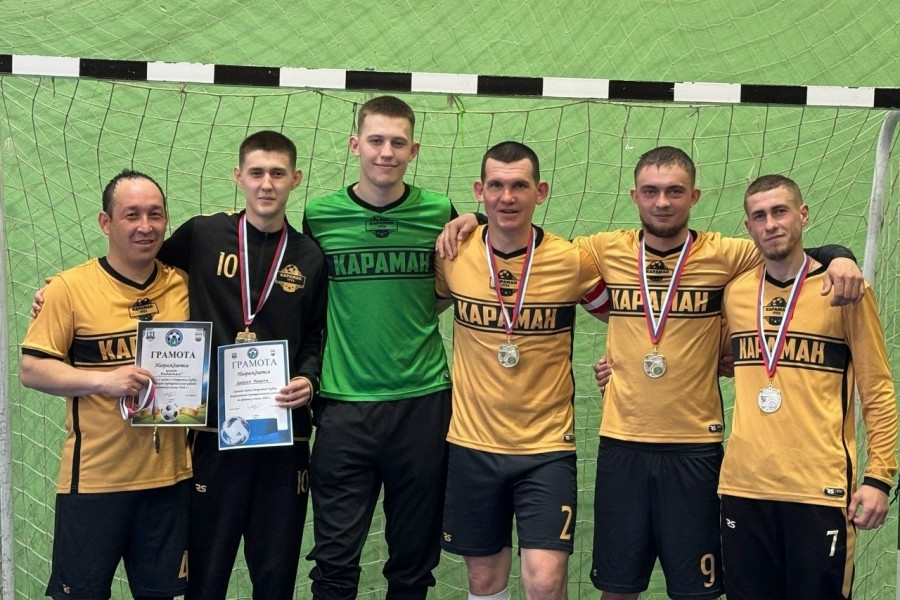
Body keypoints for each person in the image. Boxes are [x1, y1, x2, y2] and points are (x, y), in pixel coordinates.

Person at [438, 146, 864, 600]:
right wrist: (472, 220)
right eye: (651, 191)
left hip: (695, 449)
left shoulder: (727, 254)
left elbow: (784, 249)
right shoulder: (600, 251)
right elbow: (517, 239)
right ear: (634, 196)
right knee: (616, 589)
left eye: (674, 191)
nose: (662, 202)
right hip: (620, 445)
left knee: (694, 592)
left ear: (694, 196)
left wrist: (839, 255)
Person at [158, 131, 328, 600]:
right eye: (256, 173)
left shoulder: (310, 256)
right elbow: (141, 267)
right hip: (214, 434)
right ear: (238, 177)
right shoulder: (203, 234)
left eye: (277, 173)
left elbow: (316, 336)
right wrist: (66, 288)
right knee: (206, 576)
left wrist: (308, 380)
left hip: (283, 436)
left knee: (275, 579)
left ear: (295, 178)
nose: (266, 183)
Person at [435, 141, 606, 600]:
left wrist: (625, 361)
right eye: (496, 186)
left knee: (545, 581)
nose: (506, 197)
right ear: (480, 191)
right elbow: (418, 311)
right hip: (472, 443)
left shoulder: (571, 260)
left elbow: (624, 315)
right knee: (483, 580)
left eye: (519, 186)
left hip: (546, 448)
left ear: (540, 191)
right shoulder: (453, 254)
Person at [718, 174, 898, 600]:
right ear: (748, 227)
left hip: (820, 490)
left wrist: (879, 477)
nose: (770, 224)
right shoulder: (736, 294)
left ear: (802, 215)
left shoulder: (846, 290)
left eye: (780, 211)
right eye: (759, 216)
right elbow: (713, 357)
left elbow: (876, 388)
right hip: (743, 488)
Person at [303, 95, 454, 600]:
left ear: (414, 149)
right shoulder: (319, 216)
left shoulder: (440, 212)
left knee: (413, 565)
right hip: (344, 407)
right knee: (334, 563)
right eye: (375, 140)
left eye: (397, 142)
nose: (386, 152)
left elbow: (467, 274)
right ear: (355, 145)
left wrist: (473, 218)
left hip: (422, 405)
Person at [20, 170, 192, 600]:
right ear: (105, 222)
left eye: (155, 214)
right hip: (95, 483)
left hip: (169, 481)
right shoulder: (67, 289)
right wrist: (104, 380)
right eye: (131, 215)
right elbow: (32, 369)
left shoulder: (183, 284)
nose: (145, 226)